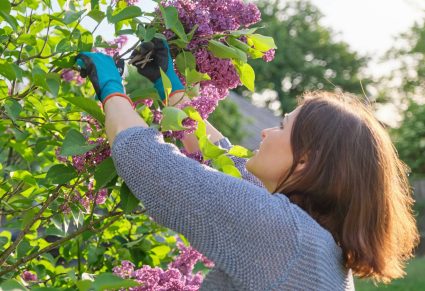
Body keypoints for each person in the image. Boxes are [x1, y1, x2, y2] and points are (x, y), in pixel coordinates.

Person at [75, 39, 419, 290]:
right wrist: (171, 89)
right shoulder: (317, 246)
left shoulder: (285, 235)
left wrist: (109, 86)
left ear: (305, 161)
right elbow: (226, 161)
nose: (267, 132)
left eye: (283, 127)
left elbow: (150, 163)